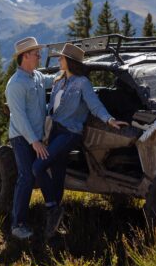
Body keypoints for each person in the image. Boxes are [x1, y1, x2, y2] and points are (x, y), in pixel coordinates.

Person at [36, 43, 127, 237]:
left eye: (61, 58)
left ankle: (52, 208)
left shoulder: (82, 83)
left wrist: (109, 120)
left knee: (38, 167)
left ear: (69, 61)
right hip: (54, 130)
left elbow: (95, 105)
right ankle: (55, 219)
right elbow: (50, 107)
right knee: (58, 174)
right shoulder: (59, 80)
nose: (59, 60)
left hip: (70, 133)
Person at [4, 36, 56, 241]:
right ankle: (17, 224)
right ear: (25, 56)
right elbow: (19, 118)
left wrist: (69, 71)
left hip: (36, 137)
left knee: (39, 171)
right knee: (26, 177)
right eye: (36, 54)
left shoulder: (36, 77)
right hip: (22, 138)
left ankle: (51, 211)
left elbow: (53, 80)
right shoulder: (15, 84)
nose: (39, 56)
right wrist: (34, 141)